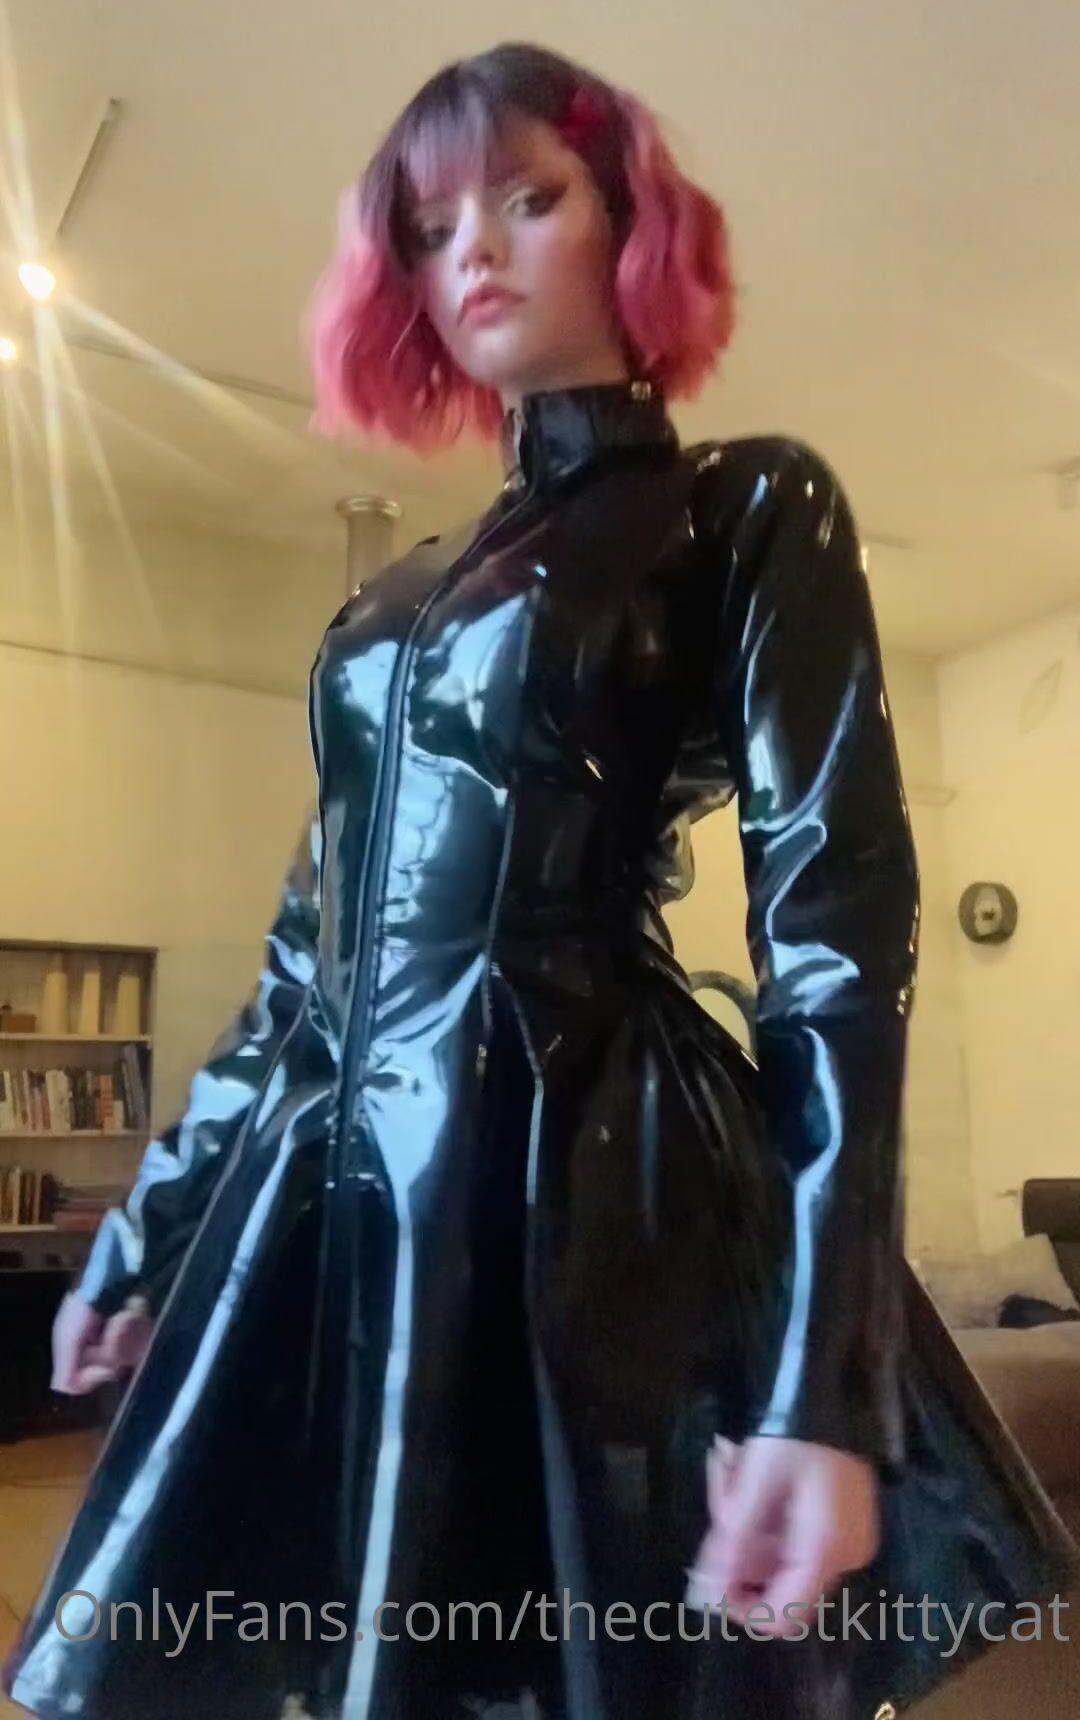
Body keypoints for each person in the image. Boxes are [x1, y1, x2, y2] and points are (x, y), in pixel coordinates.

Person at [4, 39, 1078, 1720]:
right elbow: (304, 964)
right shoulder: (386, 603)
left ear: (630, 223)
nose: (476, 253)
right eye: (432, 229)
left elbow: (833, 932)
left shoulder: (746, 505)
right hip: (340, 1188)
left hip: (586, 1183)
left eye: (530, 196)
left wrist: (825, 1386)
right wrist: (153, 1228)